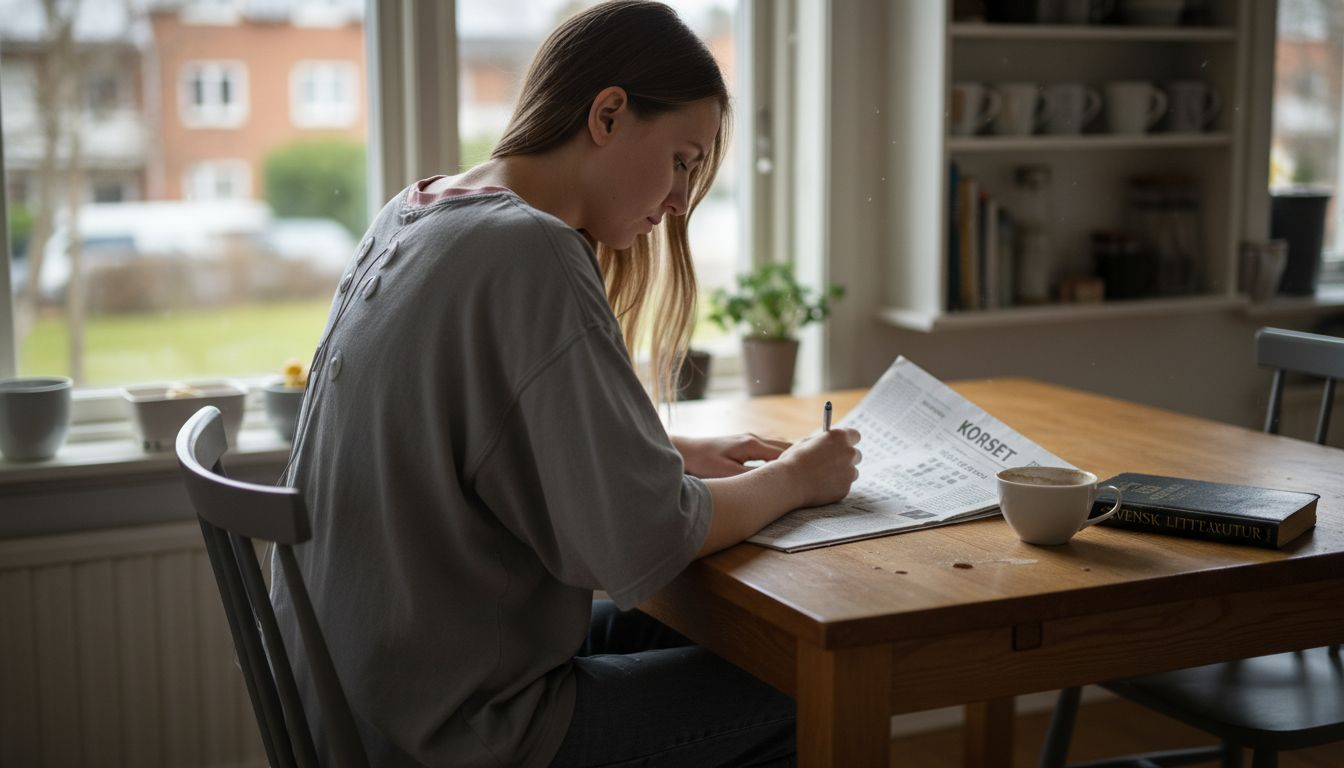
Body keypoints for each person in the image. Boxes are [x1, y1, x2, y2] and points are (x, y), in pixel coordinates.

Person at [272, 2, 861, 766]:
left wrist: (671, 452)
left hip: (353, 694)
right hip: (449, 728)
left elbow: (467, 434)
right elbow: (639, 536)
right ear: (609, 114)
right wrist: (795, 478)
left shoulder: (415, 214)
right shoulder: (530, 250)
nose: (684, 198)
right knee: (817, 693)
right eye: (683, 159)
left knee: (714, 638)